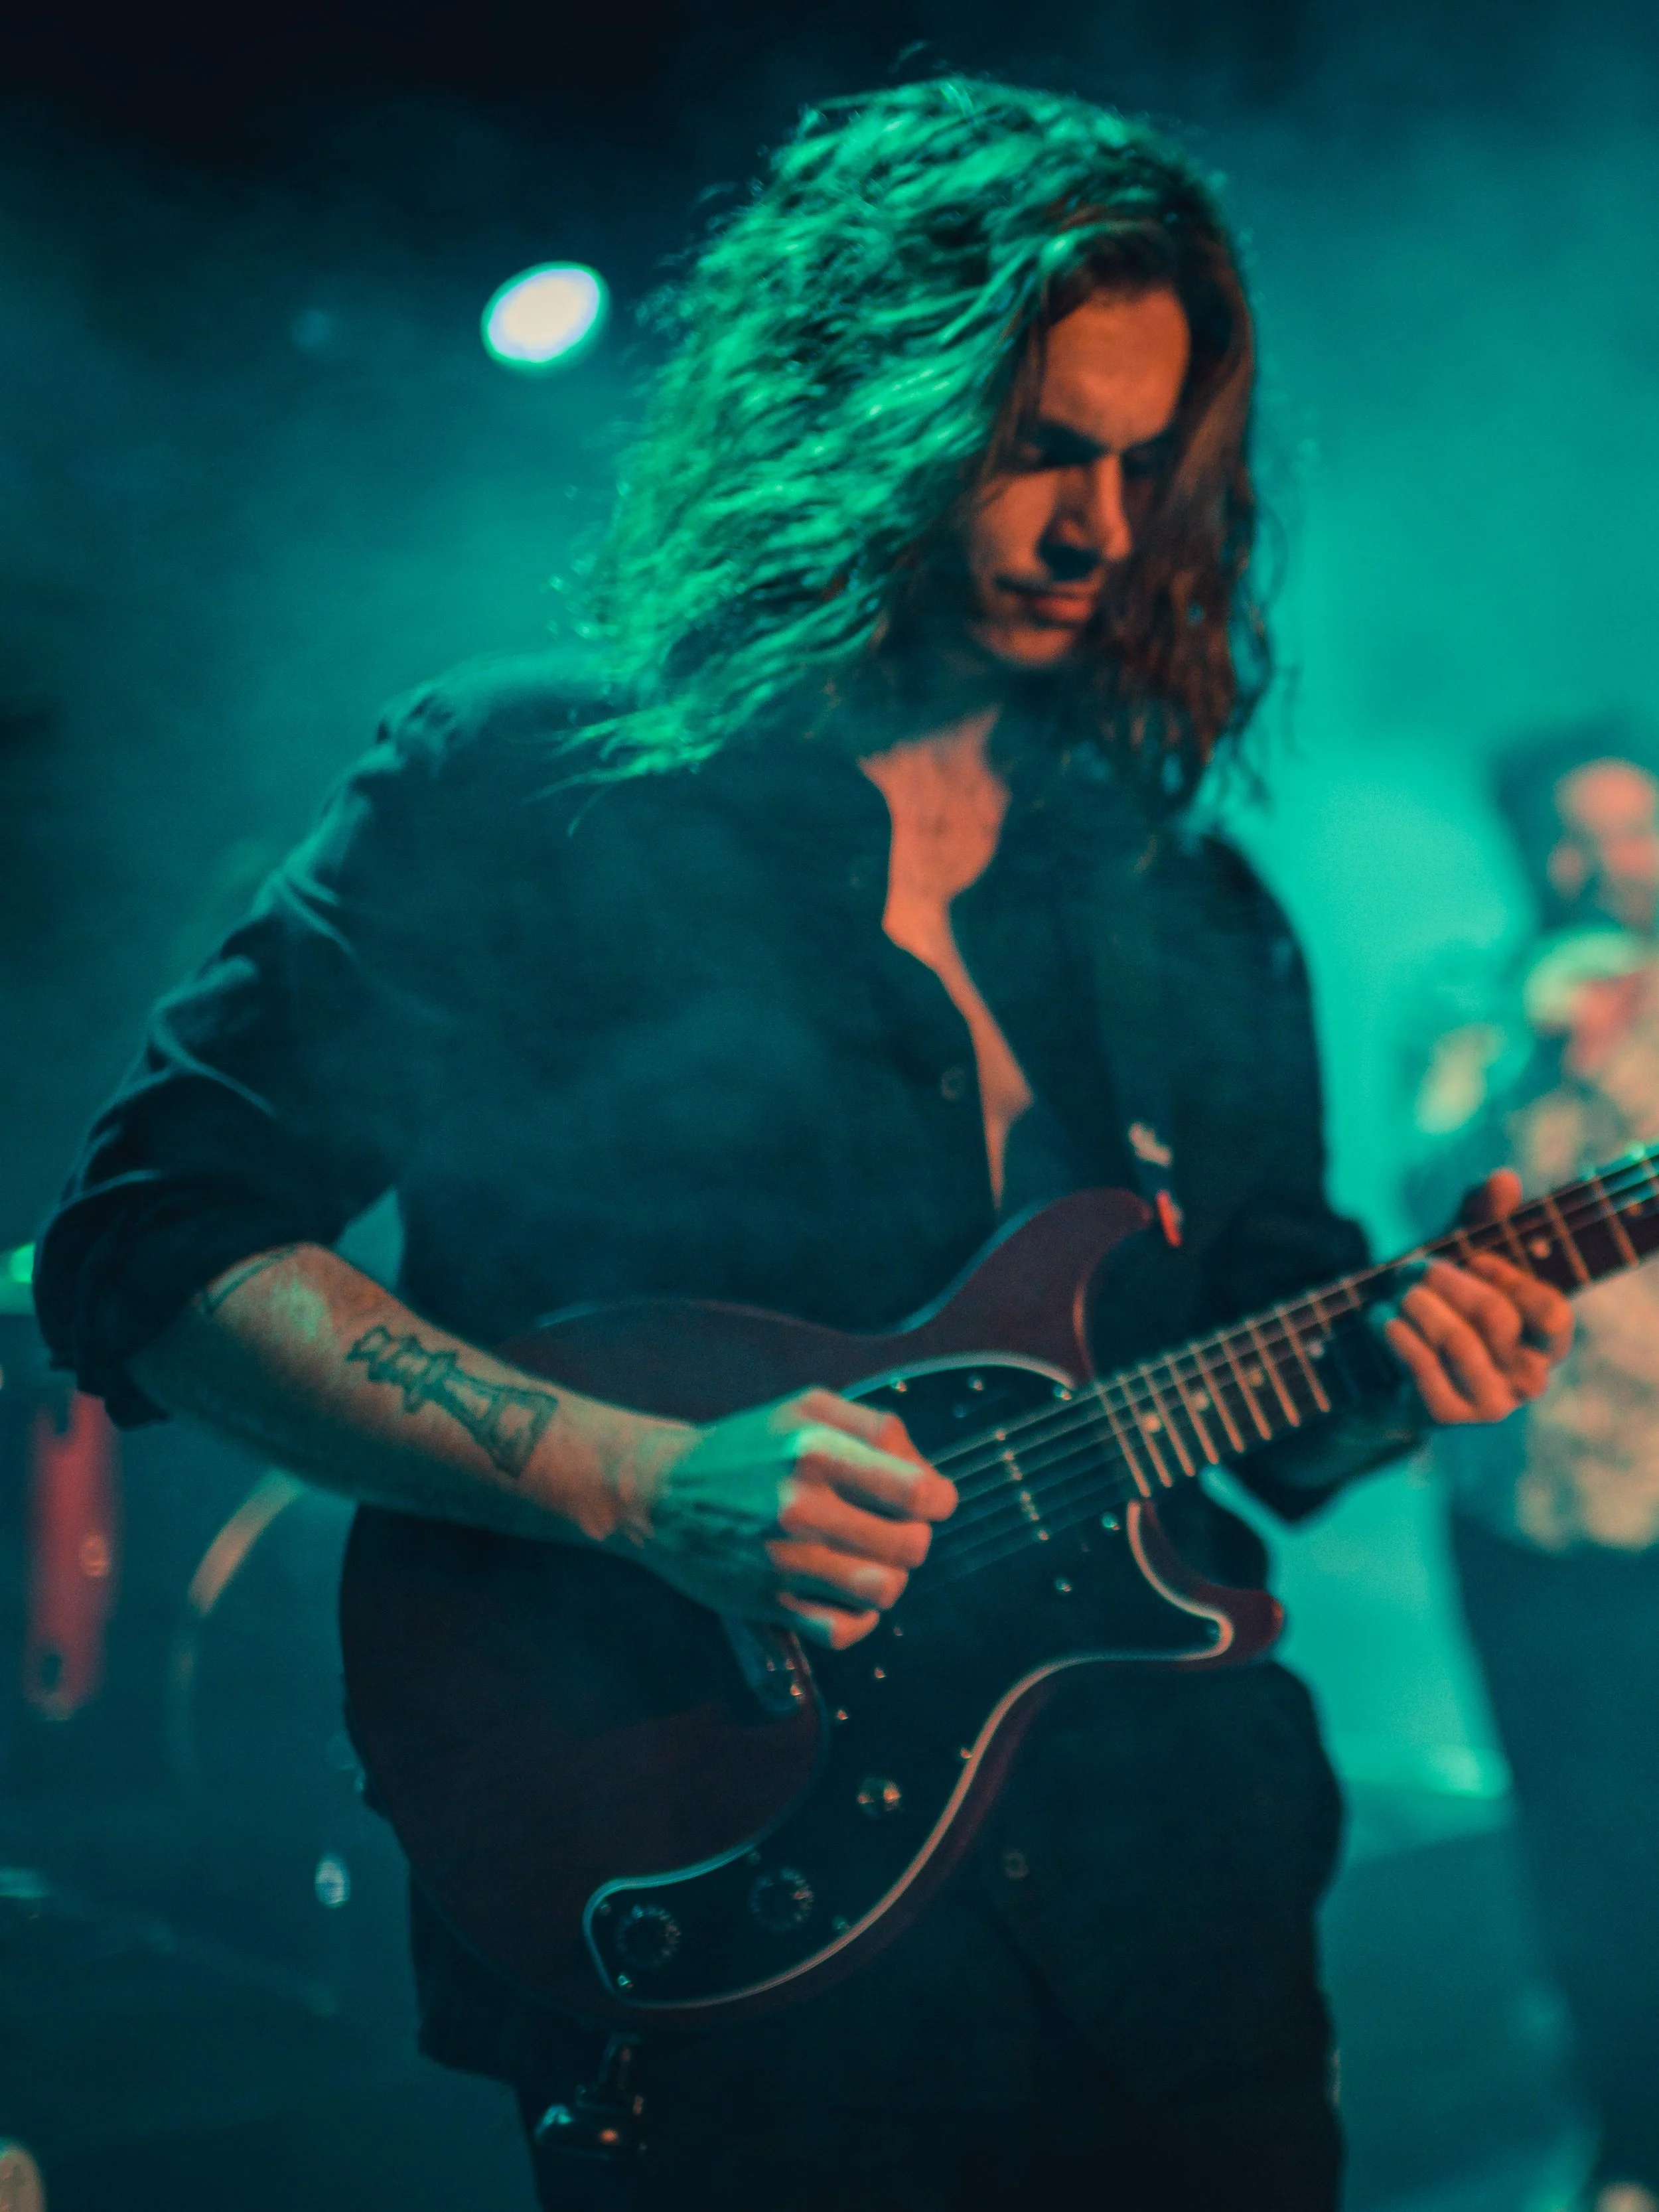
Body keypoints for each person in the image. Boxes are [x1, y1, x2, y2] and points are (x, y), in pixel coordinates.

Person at [35, 79, 1570, 2212]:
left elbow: (1262, 1385)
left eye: (1146, 464)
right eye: (1037, 447)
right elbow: (153, 1243)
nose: (1098, 534)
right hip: (731, 1930)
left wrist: (1405, 1360)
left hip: (1179, 1938)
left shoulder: (1190, 903)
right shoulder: (529, 783)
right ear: (854, 403)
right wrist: (645, 1484)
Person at [1402, 725, 1659, 2212]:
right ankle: (1626, 2142)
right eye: (1566, 838)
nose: (1596, 866)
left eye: (1625, 833)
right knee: (1579, 1845)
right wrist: (1529, 1062)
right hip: (1520, 1517)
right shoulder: (1455, 1008)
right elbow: (1424, 1202)